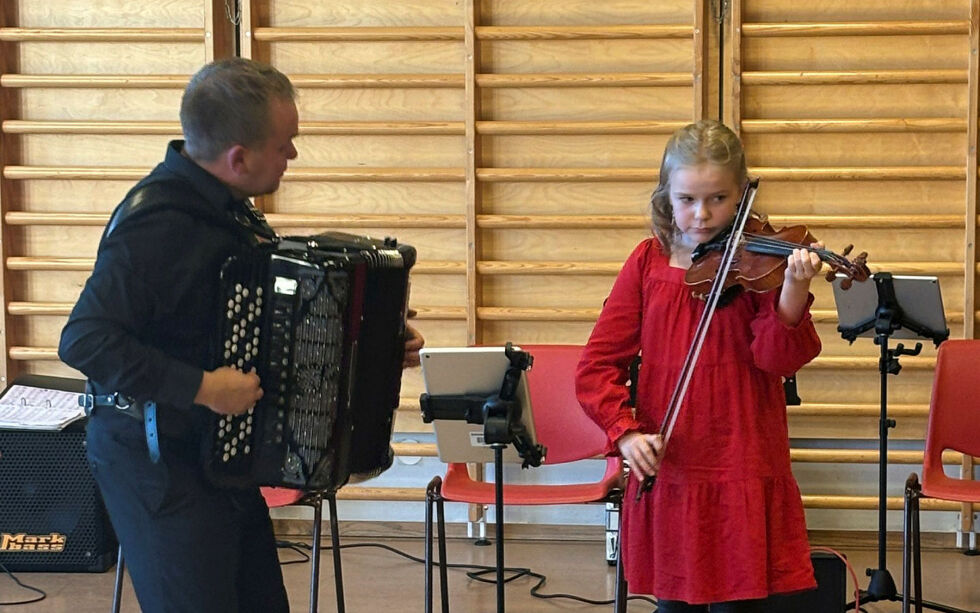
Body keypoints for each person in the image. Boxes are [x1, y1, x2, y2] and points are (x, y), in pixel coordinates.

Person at [58, 57, 424, 612]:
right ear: (239, 157)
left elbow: (256, 332)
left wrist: (370, 351)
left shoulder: (230, 210)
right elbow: (84, 341)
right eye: (285, 144)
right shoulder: (156, 223)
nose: (293, 155)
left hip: (219, 457)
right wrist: (202, 387)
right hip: (154, 461)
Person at [575, 120, 822, 612]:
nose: (702, 215)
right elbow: (596, 365)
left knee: (740, 604)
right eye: (687, 199)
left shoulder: (756, 262)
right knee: (674, 604)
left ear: (741, 195)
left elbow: (774, 359)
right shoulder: (648, 262)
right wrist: (625, 432)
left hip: (743, 457)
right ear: (666, 197)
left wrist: (793, 290)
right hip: (676, 461)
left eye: (718, 199)